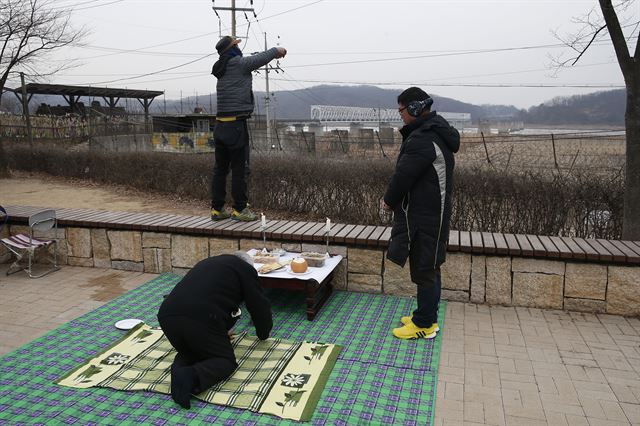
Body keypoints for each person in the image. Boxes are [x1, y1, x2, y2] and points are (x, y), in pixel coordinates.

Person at [381, 87, 460, 340]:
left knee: (425, 268)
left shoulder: (422, 138)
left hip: (427, 214)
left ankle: (424, 325)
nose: (400, 115)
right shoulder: (433, 131)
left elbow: (403, 175)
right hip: (431, 212)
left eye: (402, 110)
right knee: (429, 265)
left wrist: (388, 201)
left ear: (414, 108)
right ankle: (424, 316)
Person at [157, 251, 272, 409]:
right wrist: (263, 333)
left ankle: (179, 373)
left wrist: (219, 332)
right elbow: (259, 304)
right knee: (225, 361)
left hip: (167, 317)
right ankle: (191, 377)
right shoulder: (245, 269)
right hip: (200, 318)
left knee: (195, 351)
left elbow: (210, 296)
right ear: (249, 264)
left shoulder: (208, 263)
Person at [210, 36, 287, 221]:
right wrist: (277, 50)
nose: (239, 47)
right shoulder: (237, 63)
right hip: (235, 125)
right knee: (239, 169)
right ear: (232, 48)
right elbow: (259, 58)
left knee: (220, 169)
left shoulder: (220, 66)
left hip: (220, 124)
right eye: (236, 44)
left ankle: (217, 209)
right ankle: (240, 209)